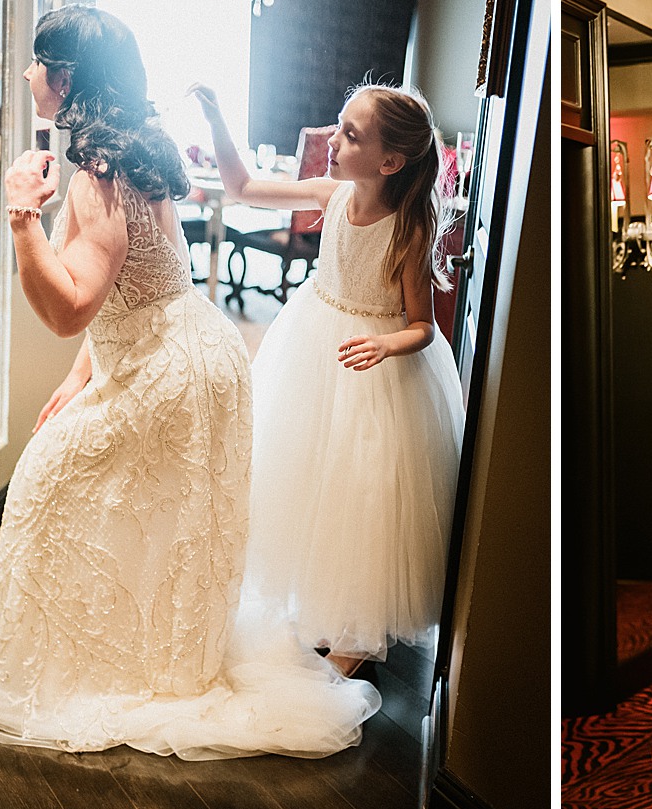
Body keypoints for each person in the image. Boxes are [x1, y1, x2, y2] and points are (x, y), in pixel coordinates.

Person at [0, 5, 379, 760]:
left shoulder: (92, 175)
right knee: (135, 504)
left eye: (35, 62)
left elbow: (71, 305)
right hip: (192, 349)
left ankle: (123, 670)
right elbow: (136, 284)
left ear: (62, 79)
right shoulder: (128, 149)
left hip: (172, 368)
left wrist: (20, 213)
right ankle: (148, 653)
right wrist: (83, 372)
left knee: (45, 481)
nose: (27, 75)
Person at [190, 81, 464, 678]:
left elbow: (423, 325)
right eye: (338, 126)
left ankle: (356, 628)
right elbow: (240, 188)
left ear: (390, 162)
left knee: (361, 492)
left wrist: (386, 343)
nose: (334, 142)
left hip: (375, 370)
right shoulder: (330, 194)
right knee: (304, 477)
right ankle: (310, 602)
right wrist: (216, 116)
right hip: (312, 342)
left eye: (350, 135)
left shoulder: (408, 230)